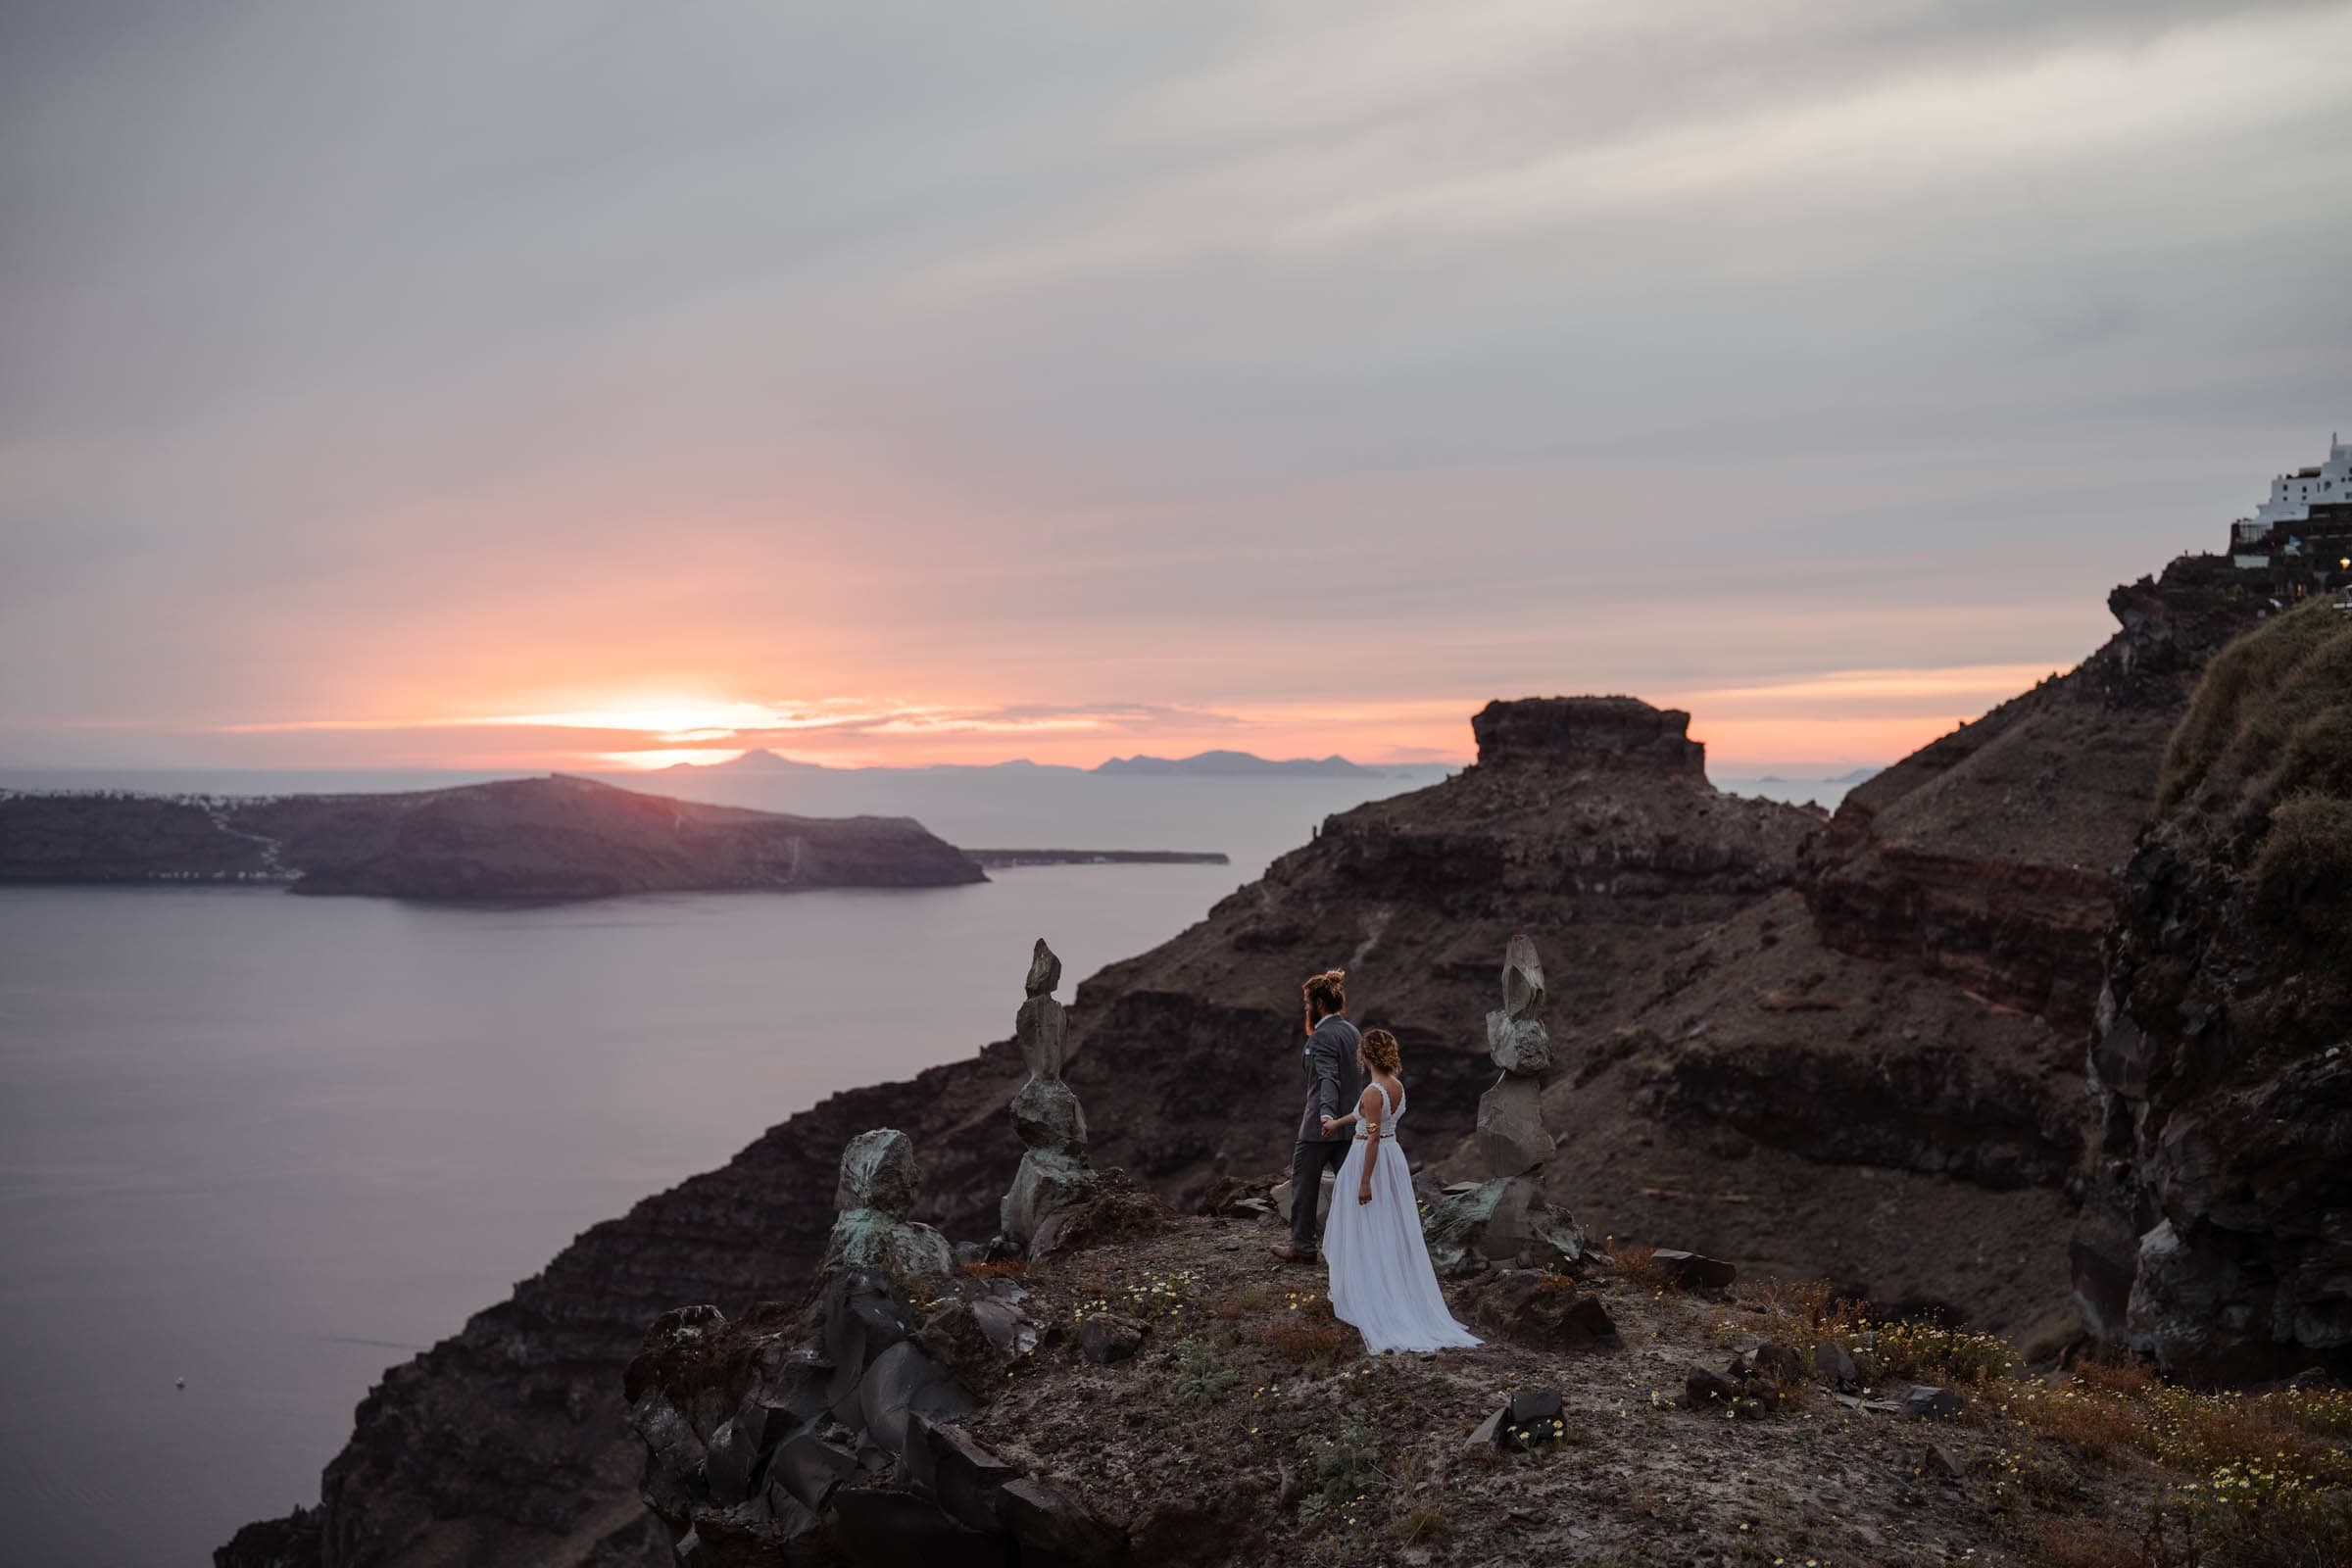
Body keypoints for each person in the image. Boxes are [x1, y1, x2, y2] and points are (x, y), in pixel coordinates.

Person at [1318, 1028, 1483, 1354]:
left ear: (1365, 1056)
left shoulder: (1373, 1091)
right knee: (1386, 1223)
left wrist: (1365, 1181)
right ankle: (1381, 1280)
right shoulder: (1395, 1087)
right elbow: (1366, 1115)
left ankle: (1369, 1289)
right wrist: (1336, 1123)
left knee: (1364, 1222)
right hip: (1391, 1158)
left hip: (1370, 1158)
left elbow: (1372, 1132)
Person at [1271, 969, 1361, 1264]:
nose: (1305, 1008)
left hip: (1319, 1129)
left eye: (1307, 1003)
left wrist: (1325, 1115)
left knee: (1304, 1186)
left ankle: (1303, 1247)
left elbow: (1327, 1079)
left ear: (1320, 1004)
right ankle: (1357, 1247)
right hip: (1350, 1126)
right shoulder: (1351, 1032)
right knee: (1351, 1189)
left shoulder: (1321, 1037)